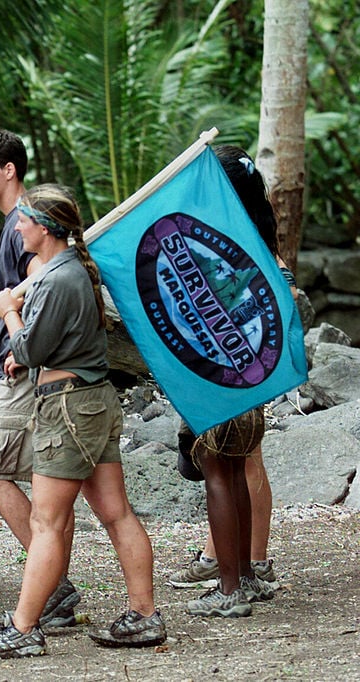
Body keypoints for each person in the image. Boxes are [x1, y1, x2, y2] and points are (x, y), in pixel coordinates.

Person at [0, 184, 166, 658]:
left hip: (68, 410)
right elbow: (55, 344)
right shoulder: (69, 272)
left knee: (46, 523)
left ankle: (22, 629)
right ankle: (144, 616)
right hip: (91, 402)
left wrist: (9, 313)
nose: (16, 227)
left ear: (44, 227)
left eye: (23, 220)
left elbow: (31, 347)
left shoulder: (58, 279)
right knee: (116, 513)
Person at [171, 144, 296, 616]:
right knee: (237, 469)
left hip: (219, 384)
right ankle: (245, 574)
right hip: (252, 383)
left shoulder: (218, 246)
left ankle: (229, 591)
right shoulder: (258, 243)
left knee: (218, 474)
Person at [0, 129, 81, 627]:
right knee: (46, 484)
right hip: (32, 368)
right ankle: (54, 584)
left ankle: (51, 585)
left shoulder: (23, 227)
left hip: (22, 370)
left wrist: (20, 348)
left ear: (8, 170)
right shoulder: (21, 223)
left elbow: (40, 288)